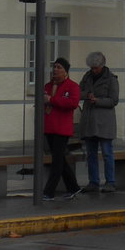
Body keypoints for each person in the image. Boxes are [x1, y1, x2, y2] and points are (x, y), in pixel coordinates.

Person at [79, 51, 120, 193]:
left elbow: (114, 100)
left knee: (107, 153)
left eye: (96, 68)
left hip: (104, 122)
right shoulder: (87, 76)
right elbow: (78, 92)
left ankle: (110, 182)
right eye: (92, 68)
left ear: (102, 66)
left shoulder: (111, 79)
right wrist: (87, 95)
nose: (94, 70)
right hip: (90, 121)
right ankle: (93, 182)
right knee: (91, 154)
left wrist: (97, 101)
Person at [42, 57, 82, 201]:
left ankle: (49, 192)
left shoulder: (72, 86)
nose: (55, 70)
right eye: (54, 67)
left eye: (59, 67)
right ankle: (73, 187)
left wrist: (52, 100)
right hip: (49, 126)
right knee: (60, 159)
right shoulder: (48, 86)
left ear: (65, 71)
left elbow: (72, 103)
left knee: (57, 161)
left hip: (62, 128)